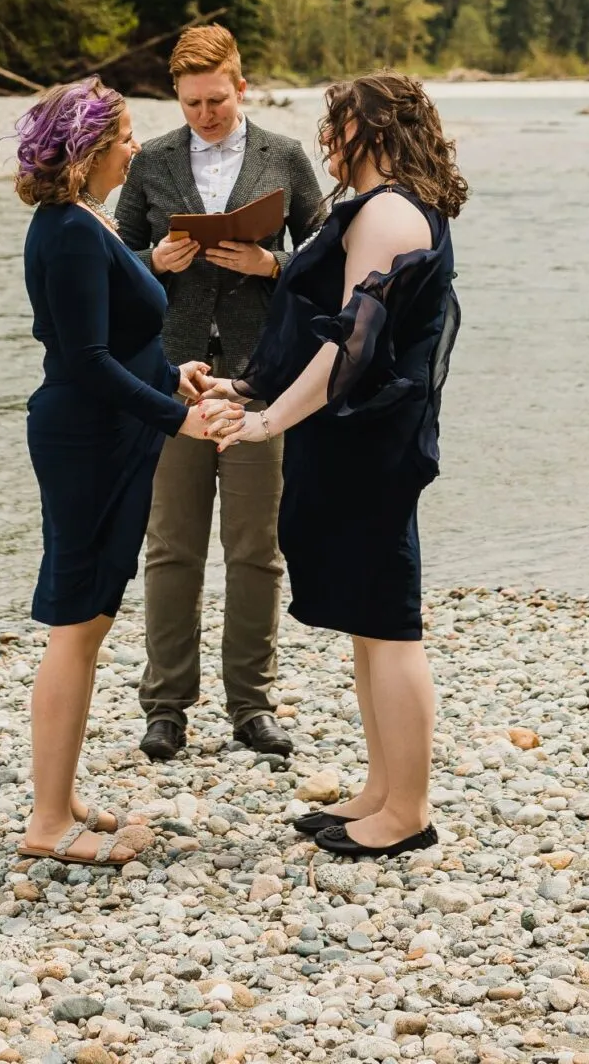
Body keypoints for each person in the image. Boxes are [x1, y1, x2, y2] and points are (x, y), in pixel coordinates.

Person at [205, 72, 463, 858]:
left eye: (340, 124)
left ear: (376, 132)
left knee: (390, 623)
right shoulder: (385, 207)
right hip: (361, 436)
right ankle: (381, 789)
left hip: (374, 443)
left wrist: (265, 420)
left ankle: (407, 810)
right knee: (367, 620)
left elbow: (348, 345)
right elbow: (321, 326)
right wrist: (245, 383)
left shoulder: (388, 214)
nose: (328, 137)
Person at [16, 76, 220, 866]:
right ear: (92, 149)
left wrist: (172, 377)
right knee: (77, 623)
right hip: (87, 441)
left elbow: (114, 346)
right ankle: (45, 822)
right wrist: (177, 416)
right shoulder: (66, 231)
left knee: (89, 619)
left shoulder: (80, 221)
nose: (137, 148)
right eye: (127, 136)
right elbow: (86, 361)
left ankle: (60, 796)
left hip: (109, 431)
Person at [115, 22, 324, 763]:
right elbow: (116, 267)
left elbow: (327, 265)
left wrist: (273, 266)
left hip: (259, 381)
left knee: (256, 551)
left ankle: (252, 706)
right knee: (171, 549)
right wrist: (155, 260)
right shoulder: (151, 162)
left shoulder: (286, 158)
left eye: (215, 100)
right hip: (170, 381)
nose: (203, 114)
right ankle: (166, 707)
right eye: (190, 102)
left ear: (242, 86)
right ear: (176, 95)